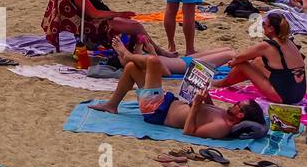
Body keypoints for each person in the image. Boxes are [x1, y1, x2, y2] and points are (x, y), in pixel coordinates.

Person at [90, 50, 266, 143]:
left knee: (153, 62)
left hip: (156, 111)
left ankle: (128, 53)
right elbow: (207, 110)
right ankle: (112, 105)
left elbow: (189, 132)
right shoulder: (226, 115)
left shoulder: (222, 126)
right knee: (131, 68)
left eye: (238, 105)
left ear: (241, 115)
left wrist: (196, 105)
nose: (235, 104)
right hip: (165, 102)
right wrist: (204, 97)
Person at [212, 11, 305, 105]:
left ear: (271, 28)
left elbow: (239, 57)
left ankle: (221, 83)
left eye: (264, 24)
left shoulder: (267, 46)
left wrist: (233, 62)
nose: (262, 26)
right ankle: (232, 79)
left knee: (242, 64)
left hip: (283, 97)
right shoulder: (290, 42)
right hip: (298, 94)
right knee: (258, 61)